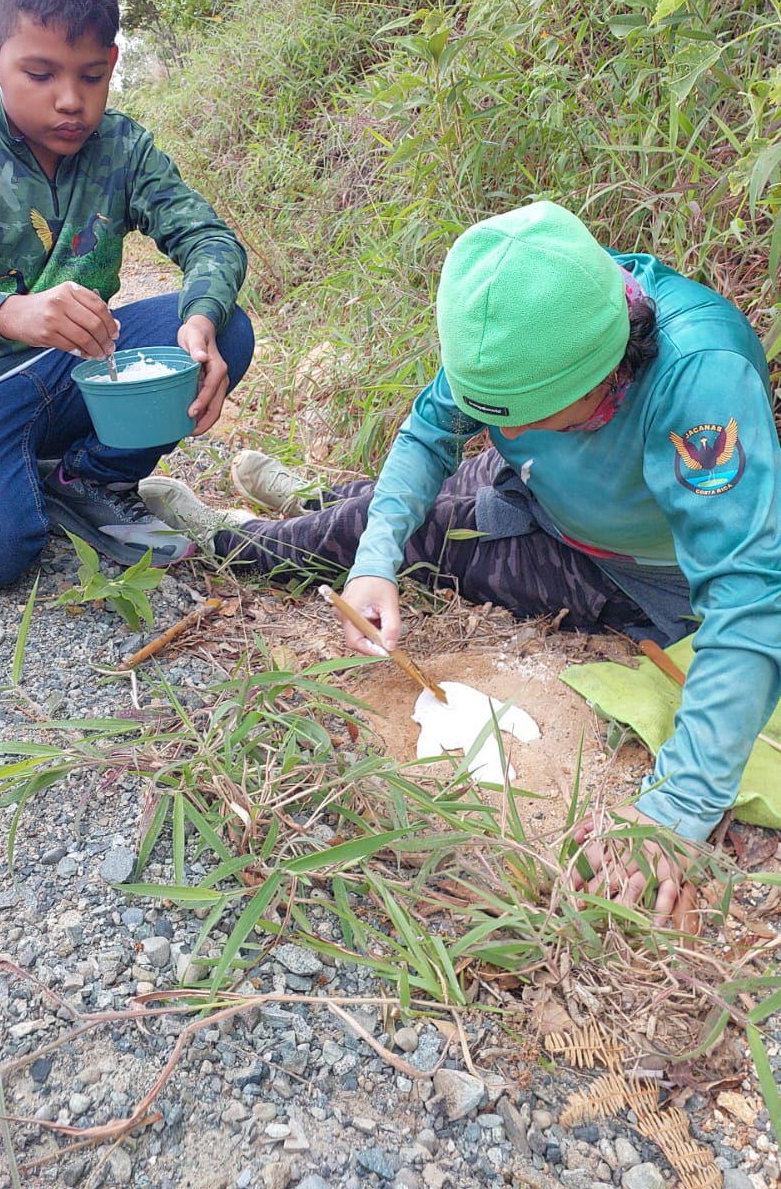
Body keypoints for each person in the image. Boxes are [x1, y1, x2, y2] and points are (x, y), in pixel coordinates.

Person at [148, 201, 781, 921]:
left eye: (529, 415)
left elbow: (748, 595)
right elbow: (429, 435)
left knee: (430, 533)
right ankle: (317, 501)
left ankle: (237, 542)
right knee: (384, 521)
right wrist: (374, 561)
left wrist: (675, 809)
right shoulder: (526, 314)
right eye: (494, 414)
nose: (505, 430)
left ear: (606, 372)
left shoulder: (701, 383)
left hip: (618, 564)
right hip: (544, 483)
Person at [0, 0, 253, 594]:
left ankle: (86, 476)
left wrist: (200, 316)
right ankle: (13, 474)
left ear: (112, 64)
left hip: (75, 369)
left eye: (90, 75)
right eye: (41, 73)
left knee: (225, 328)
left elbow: (208, 237)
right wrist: (6, 312)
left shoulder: (123, 149)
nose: (71, 101)